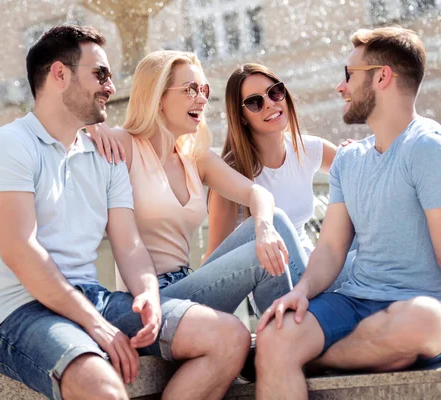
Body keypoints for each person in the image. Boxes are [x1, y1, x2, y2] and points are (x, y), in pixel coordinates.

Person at [0, 26, 250, 400]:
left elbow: (130, 245)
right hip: (19, 312)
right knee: (102, 386)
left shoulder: (106, 156)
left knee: (229, 336)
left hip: (93, 298)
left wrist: (149, 296)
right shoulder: (8, 145)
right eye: (100, 74)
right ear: (59, 74)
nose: (111, 87)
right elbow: (21, 251)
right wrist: (96, 326)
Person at [252, 26, 441, 399]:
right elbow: (331, 249)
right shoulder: (349, 160)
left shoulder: (431, 150)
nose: (341, 88)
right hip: (353, 301)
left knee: (422, 320)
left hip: (417, 310)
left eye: (348, 76)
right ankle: (294, 350)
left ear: (382, 76)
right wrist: (302, 292)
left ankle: (301, 355)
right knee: (278, 332)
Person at [206, 62, 441, 341]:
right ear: (242, 115)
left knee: (400, 251)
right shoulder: (232, 175)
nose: (270, 104)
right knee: (391, 265)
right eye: (254, 102)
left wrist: (359, 153)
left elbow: (371, 174)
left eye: (274, 92)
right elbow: (218, 261)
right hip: (282, 288)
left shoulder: (308, 148)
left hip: (322, 272)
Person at [86, 50, 310, 330]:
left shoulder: (194, 156)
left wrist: (264, 227)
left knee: (274, 218)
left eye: (203, 89)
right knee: (260, 258)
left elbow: (259, 194)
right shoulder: (125, 145)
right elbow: (63, 135)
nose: (202, 98)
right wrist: (90, 125)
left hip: (188, 285)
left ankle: (302, 322)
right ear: (158, 96)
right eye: (191, 89)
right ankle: (296, 332)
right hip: (150, 298)